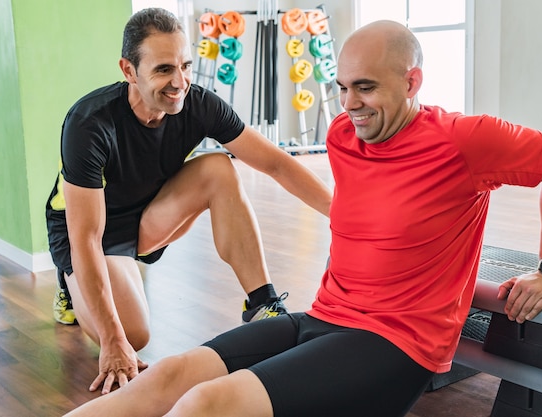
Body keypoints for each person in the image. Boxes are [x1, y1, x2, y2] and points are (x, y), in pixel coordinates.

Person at [63, 19, 542, 417]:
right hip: (323, 317)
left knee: (208, 403)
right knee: (170, 373)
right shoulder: (343, 134)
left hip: (395, 343)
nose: (350, 104)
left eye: (367, 88)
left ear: (412, 81)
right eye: (343, 86)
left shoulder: (465, 140)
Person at [45, 7, 332, 395]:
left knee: (219, 168)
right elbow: (86, 238)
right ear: (129, 71)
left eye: (186, 66)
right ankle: (70, 283)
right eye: (164, 69)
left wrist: (344, 216)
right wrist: (113, 340)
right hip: (93, 232)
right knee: (133, 334)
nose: (180, 82)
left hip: (147, 214)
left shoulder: (198, 104)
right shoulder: (89, 124)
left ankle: (262, 304)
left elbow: (276, 164)